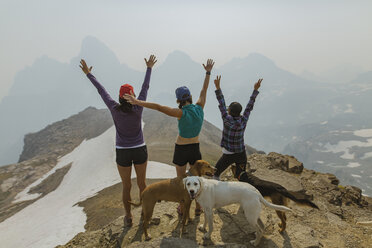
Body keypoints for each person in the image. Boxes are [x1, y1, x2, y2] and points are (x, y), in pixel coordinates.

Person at [124, 59, 215, 216]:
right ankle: (199, 207)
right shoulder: (200, 107)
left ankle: (182, 207)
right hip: (195, 148)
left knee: (181, 181)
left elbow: (159, 107)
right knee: (197, 179)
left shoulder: (180, 112)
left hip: (181, 148)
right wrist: (208, 72)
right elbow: (204, 90)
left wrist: (137, 101)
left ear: (178, 100)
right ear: (190, 97)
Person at [79, 55, 157, 227]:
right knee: (142, 183)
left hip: (122, 150)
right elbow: (146, 86)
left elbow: (102, 91)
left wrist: (89, 74)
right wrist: (149, 68)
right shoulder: (138, 107)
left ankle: (128, 216)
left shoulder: (114, 108)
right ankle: (145, 212)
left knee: (126, 185)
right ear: (133, 96)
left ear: (120, 97)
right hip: (139, 149)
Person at [212, 75, 262, 180]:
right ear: (239, 112)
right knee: (241, 175)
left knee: (215, 173)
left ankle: (219, 191)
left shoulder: (226, 119)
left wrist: (218, 88)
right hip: (241, 153)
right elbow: (249, 106)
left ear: (229, 111)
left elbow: (221, 103)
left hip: (228, 154)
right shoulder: (243, 120)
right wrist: (255, 90)